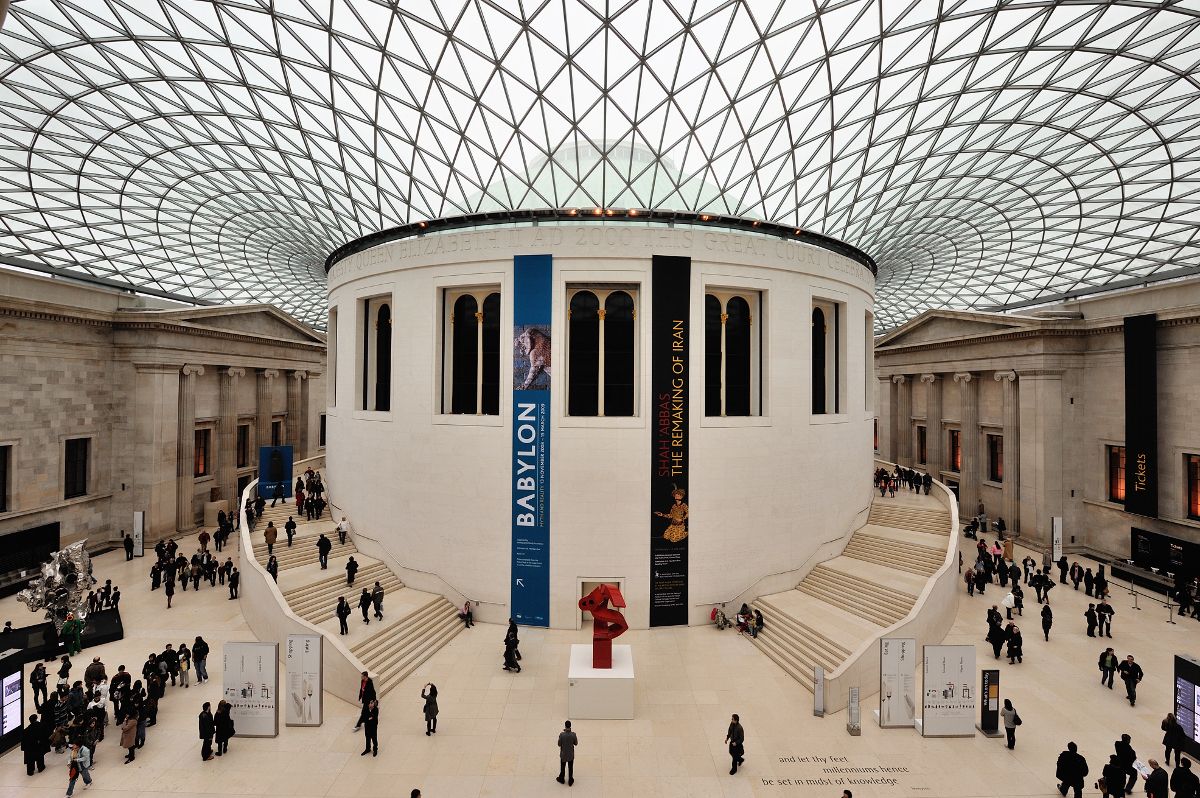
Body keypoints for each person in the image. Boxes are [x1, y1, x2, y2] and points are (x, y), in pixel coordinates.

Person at [556, 720, 577, 785]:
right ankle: (570, 780)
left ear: (565, 726)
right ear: (570, 726)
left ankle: (561, 779)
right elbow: (576, 743)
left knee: (563, 767)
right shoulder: (573, 734)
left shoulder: (562, 735)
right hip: (570, 754)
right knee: (570, 768)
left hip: (563, 754)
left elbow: (559, 744)